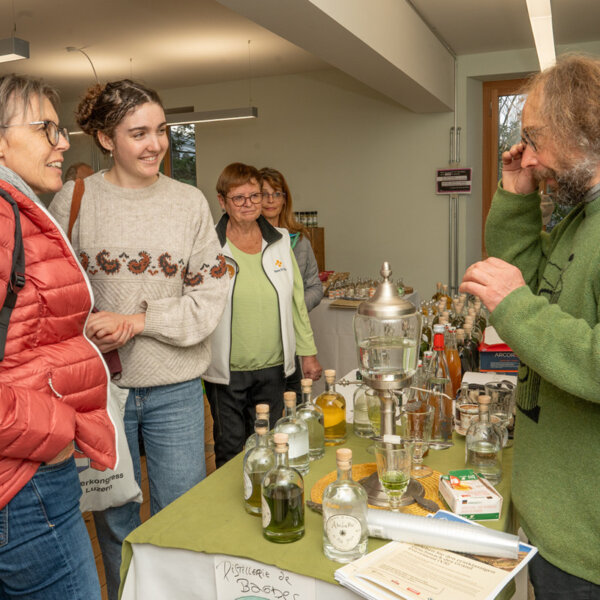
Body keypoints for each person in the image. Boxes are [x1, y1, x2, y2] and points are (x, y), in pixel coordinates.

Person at [49, 79, 229, 600]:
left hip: (175, 389)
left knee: (180, 513)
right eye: (139, 133)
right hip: (101, 391)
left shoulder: (189, 203)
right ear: (106, 139)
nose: (155, 144)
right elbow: (53, 295)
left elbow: (209, 298)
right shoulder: (75, 200)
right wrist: (89, 324)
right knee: (115, 517)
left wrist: (138, 321)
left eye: (162, 130)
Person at [460, 54, 600, 598]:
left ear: (581, 131)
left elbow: (524, 303)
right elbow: (536, 282)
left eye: (537, 138)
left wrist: (513, 305)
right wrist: (517, 195)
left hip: (586, 548)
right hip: (555, 519)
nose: (531, 154)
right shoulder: (581, 215)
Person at [0, 74, 116, 599]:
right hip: (23, 484)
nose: (64, 143)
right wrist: (56, 430)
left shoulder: (18, 209)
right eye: (46, 128)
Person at [203, 162, 322, 466]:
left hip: (273, 368)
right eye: (239, 198)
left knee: (270, 444)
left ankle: (266, 502)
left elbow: (297, 302)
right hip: (226, 370)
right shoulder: (207, 245)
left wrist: (308, 353)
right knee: (230, 447)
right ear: (222, 201)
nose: (249, 204)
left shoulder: (280, 240)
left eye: (254, 196)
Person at [259, 167, 323, 398]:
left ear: (285, 198)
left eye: (277, 193)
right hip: (262, 341)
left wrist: (292, 306)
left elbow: (316, 286)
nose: (270, 200)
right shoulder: (249, 240)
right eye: (264, 194)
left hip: (294, 340)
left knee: (291, 405)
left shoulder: (299, 239)